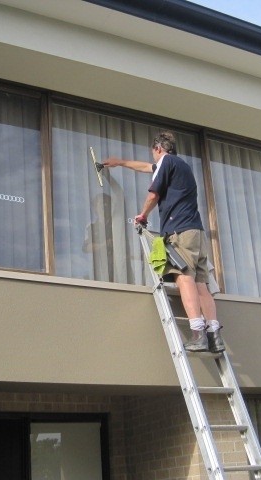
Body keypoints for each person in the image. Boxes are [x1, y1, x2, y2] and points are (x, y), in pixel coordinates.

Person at [103, 131, 224, 353]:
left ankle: (198, 333)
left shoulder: (167, 162)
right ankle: (213, 335)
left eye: (153, 153)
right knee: (201, 284)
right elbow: (145, 167)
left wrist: (143, 215)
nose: (153, 159)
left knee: (182, 277)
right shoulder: (180, 166)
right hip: (196, 231)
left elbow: (153, 195)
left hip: (180, 231)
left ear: (158, 149)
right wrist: (120, 163)